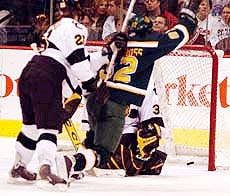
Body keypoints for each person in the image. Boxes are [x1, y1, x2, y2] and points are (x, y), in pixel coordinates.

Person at [56, 0, 202, 186]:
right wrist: (188, 15)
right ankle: (72, 163)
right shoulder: (150, 45)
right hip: (116, 106)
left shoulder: (114, 46)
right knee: (102, 153)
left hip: (94, 100)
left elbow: (87, 74)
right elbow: (179, 35)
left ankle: (76, 166)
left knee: (92, 140)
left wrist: (70, 105)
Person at [8, 0, 126, 190]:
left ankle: (18, 167)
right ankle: (45, 171)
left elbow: (86, 60)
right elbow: (79, 64)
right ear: (78, 13)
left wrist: (109, 49)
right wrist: (95, 86)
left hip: (30, 71)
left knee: (30, 126)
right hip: (48, 77)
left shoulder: (59, 30)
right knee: (49, 129)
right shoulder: (75, 26)